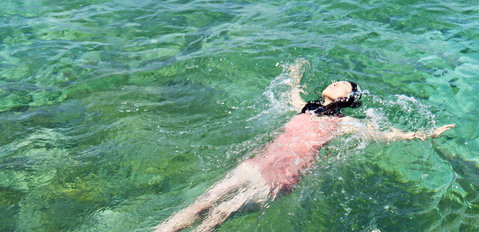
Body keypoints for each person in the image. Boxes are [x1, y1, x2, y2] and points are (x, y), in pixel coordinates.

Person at [154, 61, 454, 232]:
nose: (335, 82)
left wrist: (425, 134)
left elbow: (384, 134)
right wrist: (294, 75)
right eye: (336, 81)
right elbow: (292, 95)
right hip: (256, 165)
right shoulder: (307, 108)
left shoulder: (342, 123)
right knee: (202, 203)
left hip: (277, 179)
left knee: (219, 213)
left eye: (342, 85)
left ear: (346, 99)